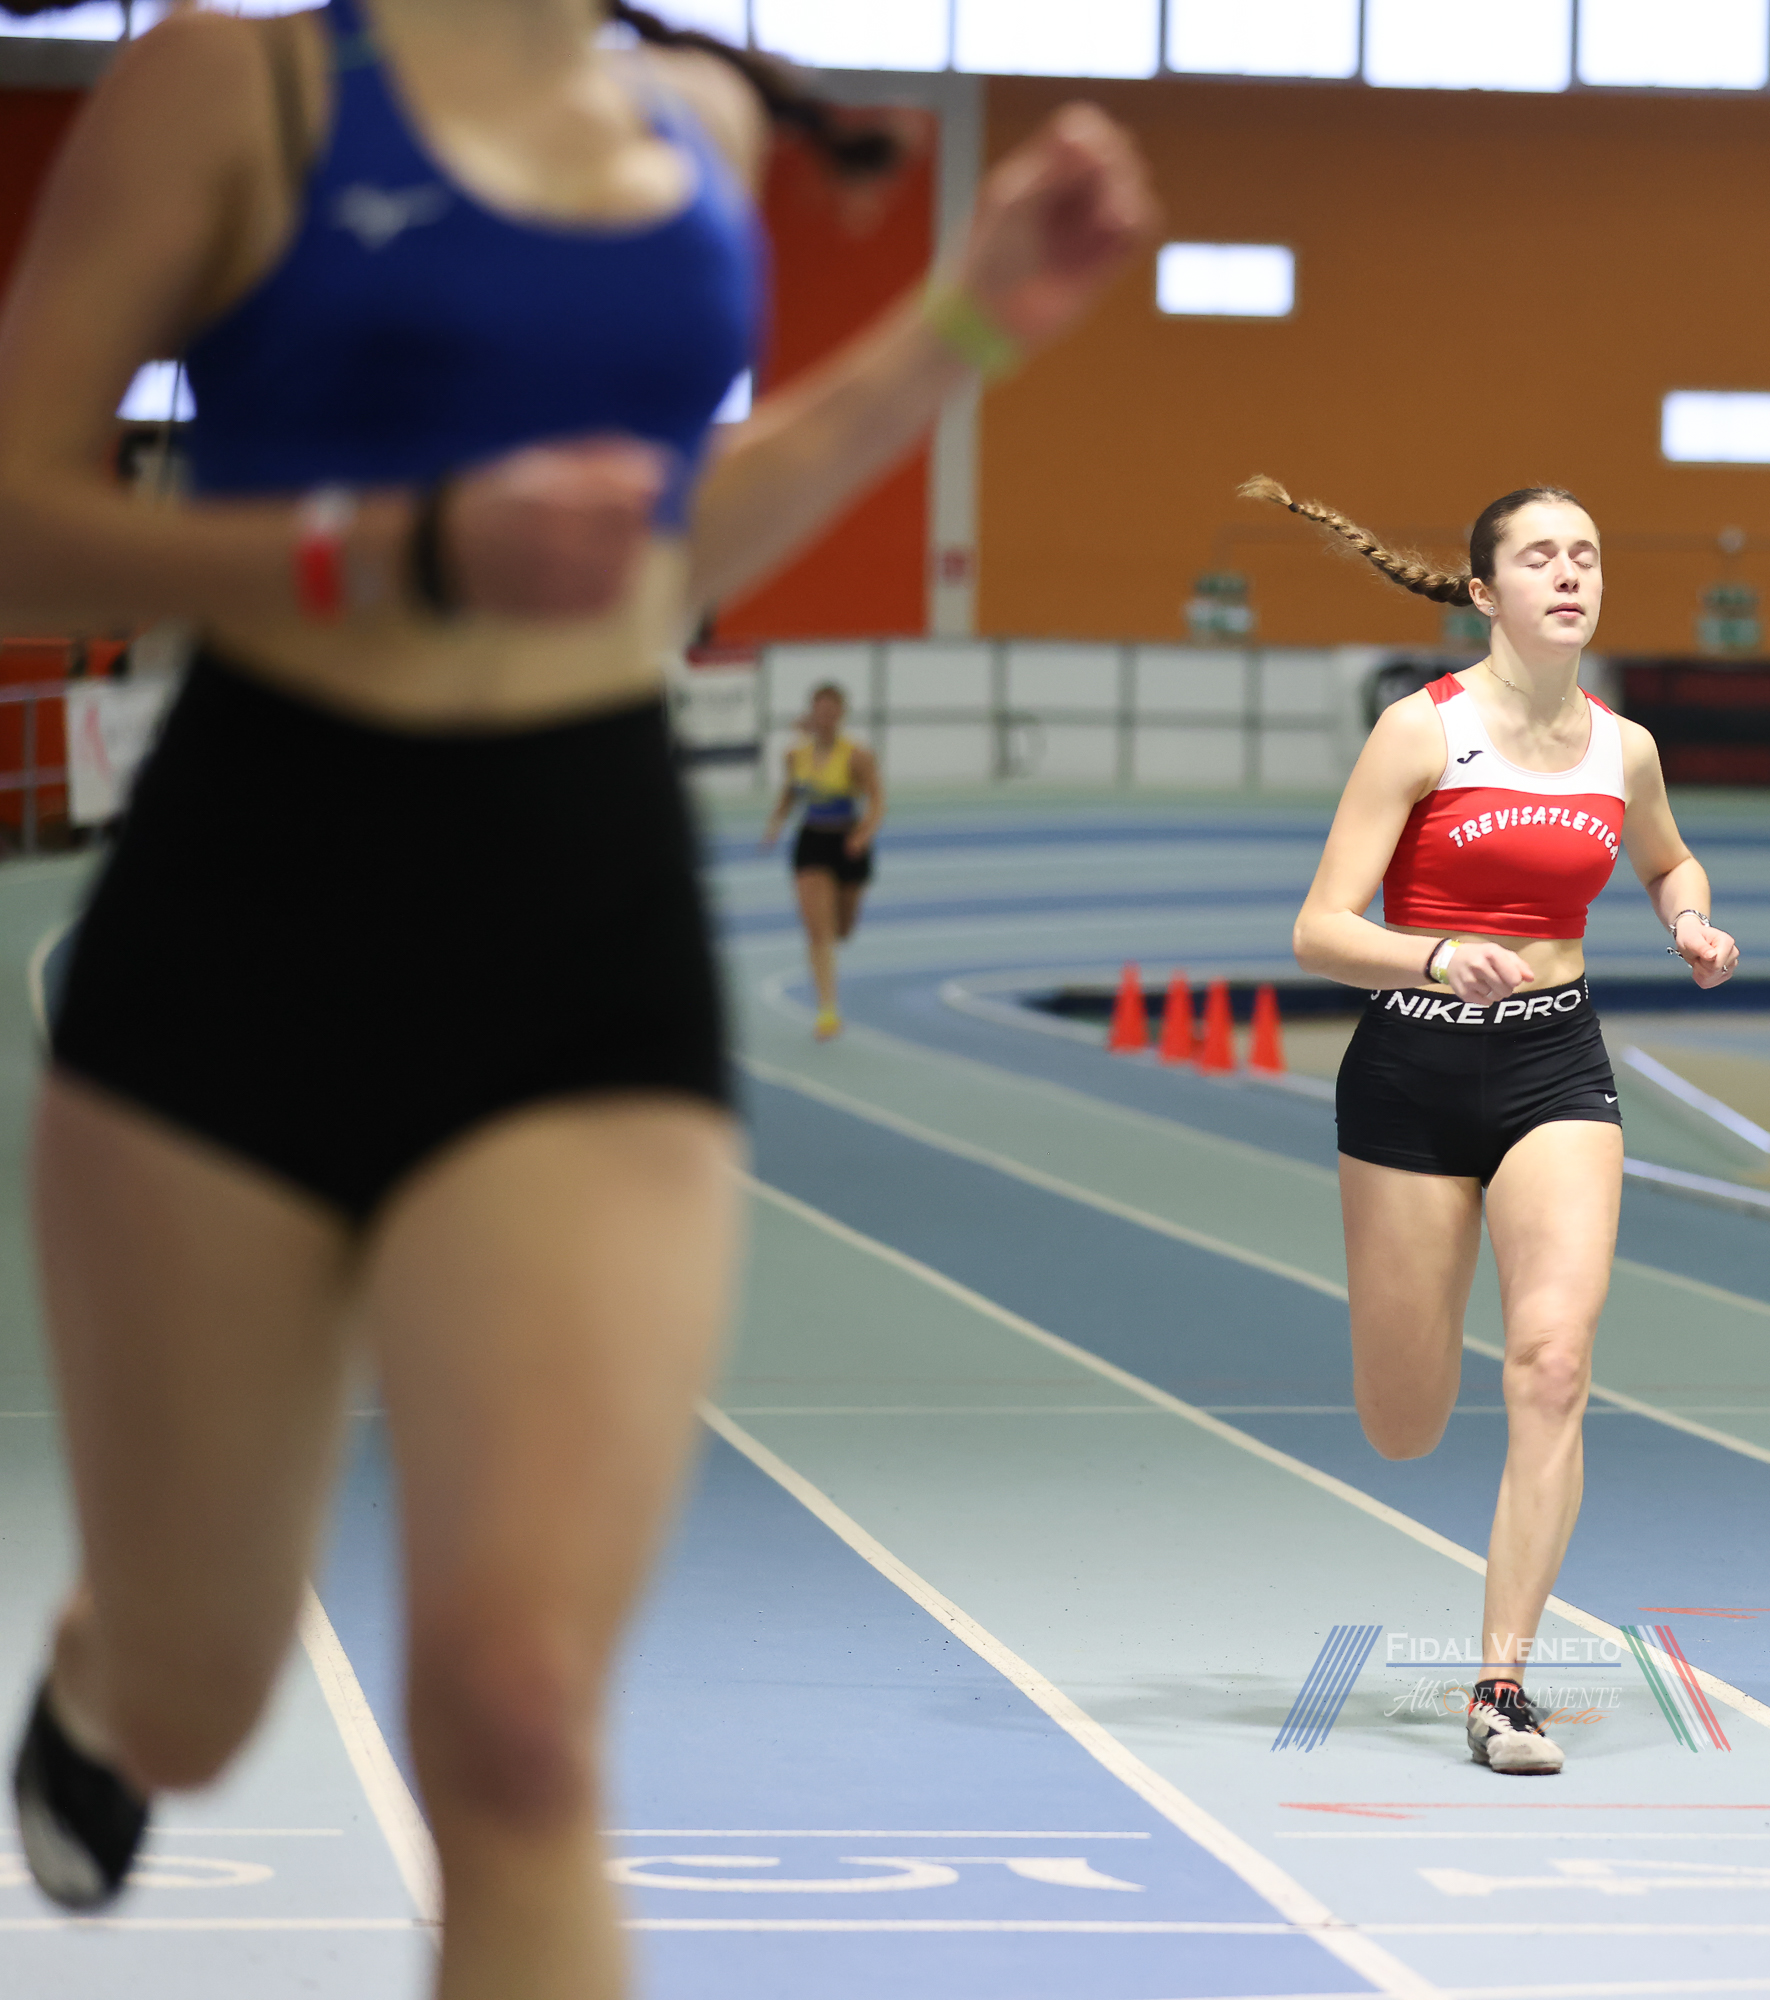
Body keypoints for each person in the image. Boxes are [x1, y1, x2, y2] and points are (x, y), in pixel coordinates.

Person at [0, 3, 1154, 1993]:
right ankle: (119, 1659)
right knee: (197, 1702)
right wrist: (390, 552)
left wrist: (972, 321)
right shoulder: (234, 83)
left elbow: (665, 546)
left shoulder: (696, 114)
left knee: (519, 1723)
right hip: (247, 924)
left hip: (578, 928)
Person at [1259, 474, 1741, 1775]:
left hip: (1553, 1069)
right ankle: (1417, 1362)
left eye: (1586, 553)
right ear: (1484, 591)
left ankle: (1501, 1687)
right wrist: (1435, 953)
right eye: (1540, 556)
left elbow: (1666, 857)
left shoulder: (1623, 749)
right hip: (1409, 1075)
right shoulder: (1420, 732)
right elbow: (1318, 929)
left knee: (1553, 1363)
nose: (1570, 573)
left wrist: (1690, 918)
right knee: (1403, 1420)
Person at [761, 680, 883, 1039]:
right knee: (817, 931)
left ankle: (836, 940)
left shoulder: (857, 755)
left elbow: (877, 800)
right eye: (820, 711)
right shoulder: (794, 755)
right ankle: (828, 1010)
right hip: (811, 842)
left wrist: (863, 835)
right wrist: (775, 824)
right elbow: (790, 794)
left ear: (841, 714)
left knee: (842, 929)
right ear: (812, 713)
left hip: (847, 844)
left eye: (832, 711)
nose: (825, 718)